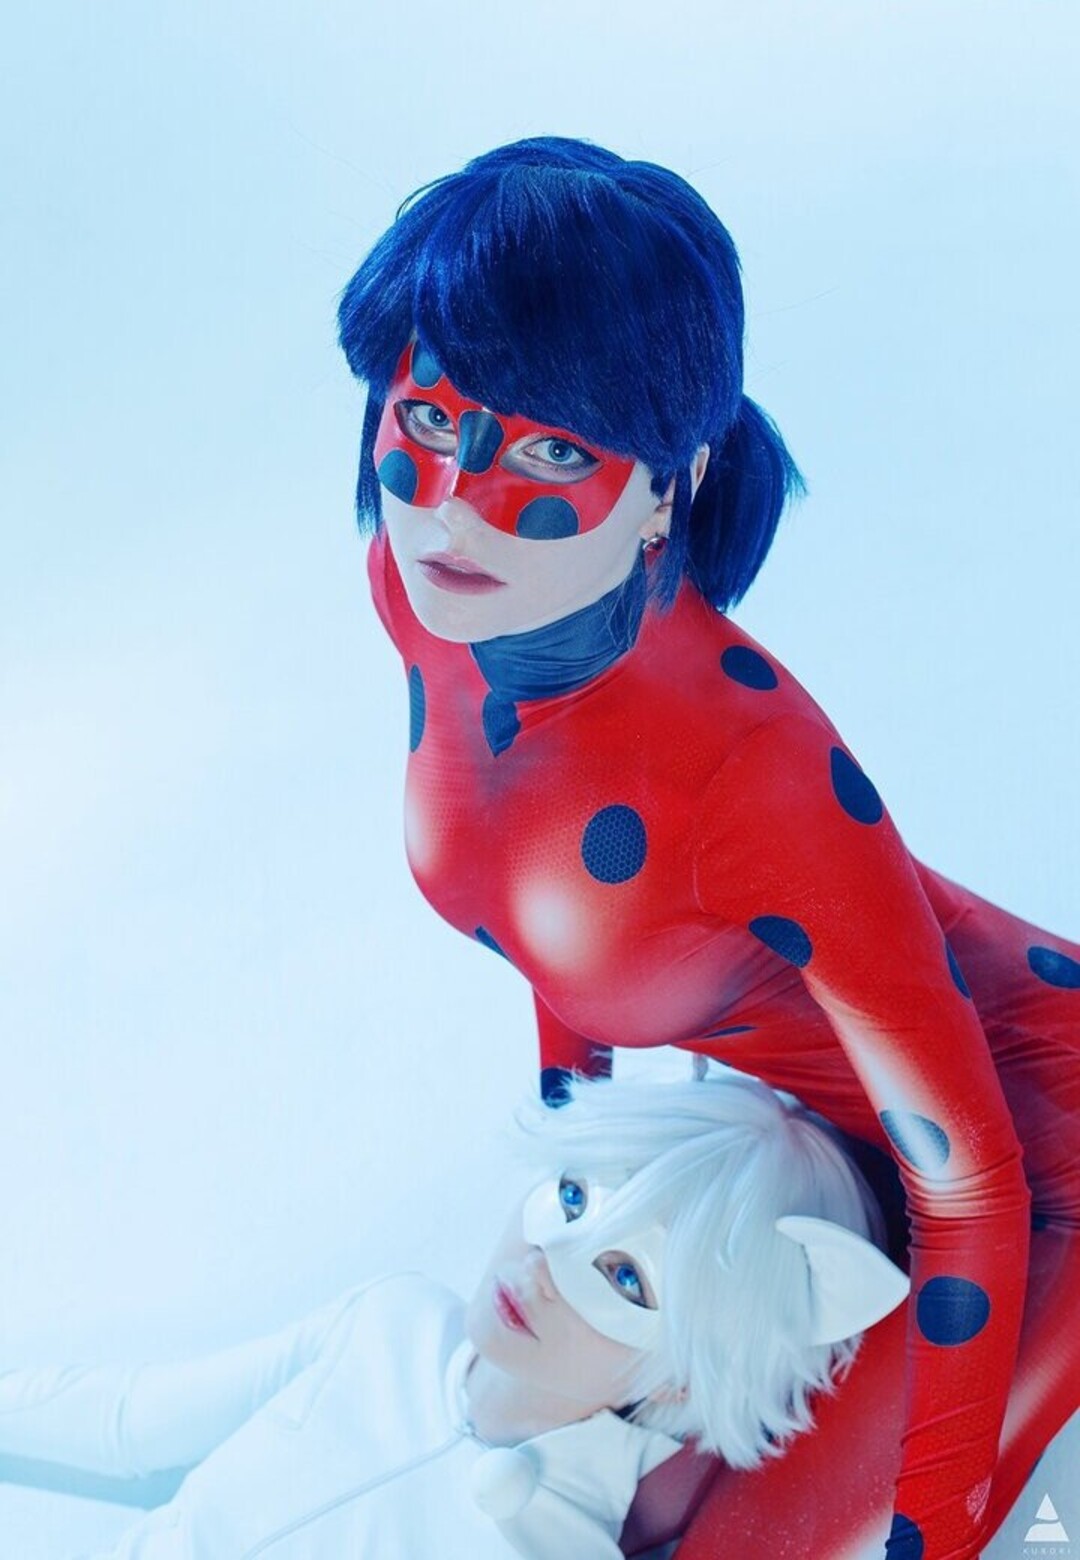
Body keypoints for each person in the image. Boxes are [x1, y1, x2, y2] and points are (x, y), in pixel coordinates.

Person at [335, 136, 1080, 1560]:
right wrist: (572, 1189)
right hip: (837, 1164)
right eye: (427, 416)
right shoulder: (425, 591)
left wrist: (935, 1523)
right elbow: (541, 891)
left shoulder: (754, 779)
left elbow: (975, 1181)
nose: (453, 498)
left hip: (1043, 1177)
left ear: (667, 484)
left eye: (552, 450)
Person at [0, 1073, 908, 1559]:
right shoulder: (388, 1322)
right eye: (573, 1195)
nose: (547, 1259)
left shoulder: (555, 1545)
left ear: (683, 1377)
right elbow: (130, 1421)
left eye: (627, 1278)